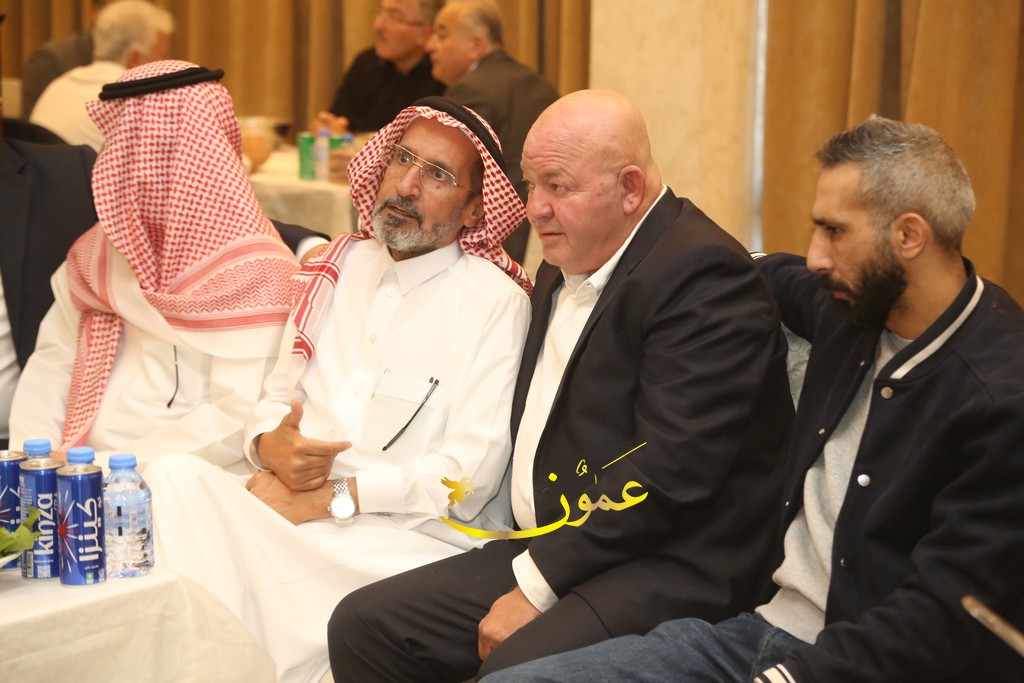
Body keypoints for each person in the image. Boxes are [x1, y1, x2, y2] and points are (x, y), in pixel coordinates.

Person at [481, 117, 1024, 683]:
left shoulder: (1001, 399)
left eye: (835, 232)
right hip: (758, 630)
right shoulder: (850, 309)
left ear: (909, 236)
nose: (815, 257)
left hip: (860, 664)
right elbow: (734, 267)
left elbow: (939, 621)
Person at [327, 89, 794, 680]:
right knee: (364, 624)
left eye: (558, 186)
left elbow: (670, 472)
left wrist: (536, 584)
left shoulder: (702, 277)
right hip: (558, 542)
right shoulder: (567, 256)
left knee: (514, 670)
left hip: (666, 561)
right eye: (530, 185)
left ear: (630, 189)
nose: (535, 209)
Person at [141, 96, 532, 683]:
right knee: (170, 476)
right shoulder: (337, 266)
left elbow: (467, 480)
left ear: (476, 208)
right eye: (403, 159)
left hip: (396, 545)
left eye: (438, 175)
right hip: (291, 515)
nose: (406, 184)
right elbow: (275, 399)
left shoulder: (495, 303)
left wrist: (330, 499)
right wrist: (267, 444)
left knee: (215, 580)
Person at [9, 60, 299, 470]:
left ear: (195, 157)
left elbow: (236, 420)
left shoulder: (258, 273)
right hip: (72, 474)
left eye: (143, 151)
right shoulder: (95, 256)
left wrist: (103, 468)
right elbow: (52, 367)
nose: (127, 167)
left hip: (190, 481)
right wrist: (32, 464)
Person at [427, 0, 559, 262]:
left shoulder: (471, 89)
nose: (429, 45)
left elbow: (442, 177)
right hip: (543, 236)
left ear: (476, 45)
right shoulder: (541, 85)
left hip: (488, 246)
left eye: (442, 35)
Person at [30, 1, 173, 149]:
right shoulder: (137, 102)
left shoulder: (58, 85)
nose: (169, 62)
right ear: (135, 58)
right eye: (164, 54)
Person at [312, 0, 445, 136]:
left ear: (425, 34)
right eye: (381, 14)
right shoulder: (366, 62)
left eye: (394, 17)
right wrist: (329, 127)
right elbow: (340, 119)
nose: (378, 25)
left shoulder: (442, 73)